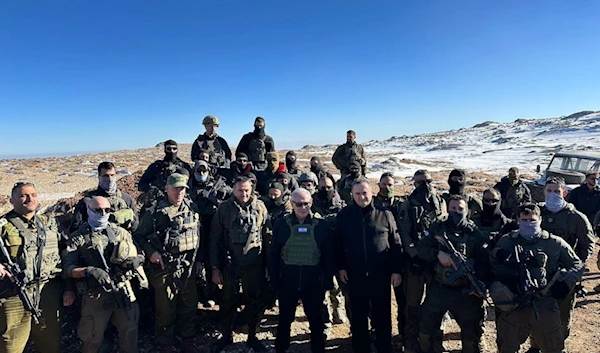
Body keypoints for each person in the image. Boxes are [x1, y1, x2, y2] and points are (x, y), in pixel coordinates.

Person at [490, 203, 584, 353]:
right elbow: (492, 264)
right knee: (507, 346)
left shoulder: (554, 242)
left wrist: (565, 282)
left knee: (553, 347)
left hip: (544, 303)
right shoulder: (507, 241)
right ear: (518, 220)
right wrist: (508, 273)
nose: (528, 223)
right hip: (515, 304)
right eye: (524, 220)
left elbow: (577, 264)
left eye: (532, 220)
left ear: (540, 219)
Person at [0, 182, 75, 353]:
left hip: (47, 291)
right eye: (23, 195)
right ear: (12, 201)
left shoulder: (49, 223)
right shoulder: (3, 226)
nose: (30, 199)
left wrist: (69, 288)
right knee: (11, 345)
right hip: (14, 295)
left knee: (49, 342)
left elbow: (64, 255)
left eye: (33, 195)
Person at [63, 196, 142, 353]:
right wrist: (89, 271)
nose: (103, 213)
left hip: (122, 290)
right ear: (89, 211)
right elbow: (67, 268)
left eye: (107, 210)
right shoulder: (78, 238)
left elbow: (138, 252)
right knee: (92, 338)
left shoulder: (120, 233)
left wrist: (136, 261)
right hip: (95, 296)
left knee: (130, 332)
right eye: (98, 210)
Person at [133, 173, 202, 353]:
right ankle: (165, 342)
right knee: (165, 309)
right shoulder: (156, 213)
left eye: (182, 189)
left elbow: (199, 235)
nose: (179, 192)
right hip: (164, 268)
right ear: (167, 188)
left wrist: (199, 261)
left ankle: (187, 338)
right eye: (175, 189)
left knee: (189, 304)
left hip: (187, 266)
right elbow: (138, 236)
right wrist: (151, 253)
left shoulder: (192, 208)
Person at [525, 176, 595, 352]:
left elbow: (587, 245)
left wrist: (574, 269)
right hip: (536, 274)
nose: (553, 194)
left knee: (562, 316)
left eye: (557, 191)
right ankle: (535, 345)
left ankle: (558, 346)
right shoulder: (536, 213)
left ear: (564, 192)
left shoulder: (577, 217)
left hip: (564, 276)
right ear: (544, 192)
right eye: (549, 191)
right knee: (535, 312)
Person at [335, 177, 402, 353]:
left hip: (380, 275)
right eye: (357, 194)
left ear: (371, 192)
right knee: (358, 317)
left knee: (382, 316)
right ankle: (361, 348)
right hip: (354, 275)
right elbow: (338, 244)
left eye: (364, 193)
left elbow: (395, 243)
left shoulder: (385, 214)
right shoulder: (344, 216)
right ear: (352, 195)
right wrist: (341, 267)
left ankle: (384, 348)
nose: (361, 197)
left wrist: (396, 270)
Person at [416, 195, 491, 353]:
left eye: (460, 209)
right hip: (439, 288)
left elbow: (485, 262)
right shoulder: (437, 228)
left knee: (472, 335)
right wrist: (438, 254)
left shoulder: (475, 234)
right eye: (453, 209)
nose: (457, 212)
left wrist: (480, 284)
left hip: (466, 291)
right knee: (426, 327)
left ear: (467, 211)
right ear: (448, 209)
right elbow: (421, 249)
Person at [269, 188, 335, 353]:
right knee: (284, 320)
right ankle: (281, 349)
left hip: (312, 284)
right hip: (288, 282)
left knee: (316, 321)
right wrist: (274, 279)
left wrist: (327, 280)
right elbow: (274, 253)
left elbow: (328, 255)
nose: (303, 207)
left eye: (306, 203)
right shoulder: (282, 224)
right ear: (292, 204)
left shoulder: (321, 225)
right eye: (299, 204)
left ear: (311, 203)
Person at [209, 177, 270, 352]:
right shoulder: (224, 210)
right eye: (240, 191)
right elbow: (214, 239)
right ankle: (226, 336)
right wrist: (214, 268)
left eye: (246, 191)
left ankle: (252, 336)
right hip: (231, 265)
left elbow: (267, 238)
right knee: (228, 301)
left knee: (254, 301)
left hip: (255, 265)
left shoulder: (260, 208)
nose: (243, 194)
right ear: (233, 191)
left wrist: (268, 266)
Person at [397, 169, 447, 353]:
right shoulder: (408, 205)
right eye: (420, 182)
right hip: (416, 263)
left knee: (435, 304)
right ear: (414, 184)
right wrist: (414, 255)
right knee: (413, 304)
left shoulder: (439, 202)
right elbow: (403, 233)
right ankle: (411, 342)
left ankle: (434, 340)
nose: (424, 186)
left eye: (427, 181)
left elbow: (443, 227)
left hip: (435, 261)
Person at [188, 160, 232, 307]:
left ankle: (214, 293)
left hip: (214, 226)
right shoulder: (188, 186)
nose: (201, 174)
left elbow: (230, 194)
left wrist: (218, 195)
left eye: (203, 171)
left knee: (214, 260)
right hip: (193, 228)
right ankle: (200, 293)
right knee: (197, 262)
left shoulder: (216, 184)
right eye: (198, 172)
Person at [373, 172, 406, 343]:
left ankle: (403, 334)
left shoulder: (401, 205)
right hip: (380, 257)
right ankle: (379, 334)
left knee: (403, 300)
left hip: (398, 256)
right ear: (379, 185)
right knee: (379, 301)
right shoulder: (372, 204)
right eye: (384, 184)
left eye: (391, 184)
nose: (387, 187)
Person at [70, 161, 138, 233]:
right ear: (99, 177)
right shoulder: (88, 201)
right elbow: (75, 228)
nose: (110, 179)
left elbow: (136, 223)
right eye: (106, 176)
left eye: (112, 175)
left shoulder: (126, 198)